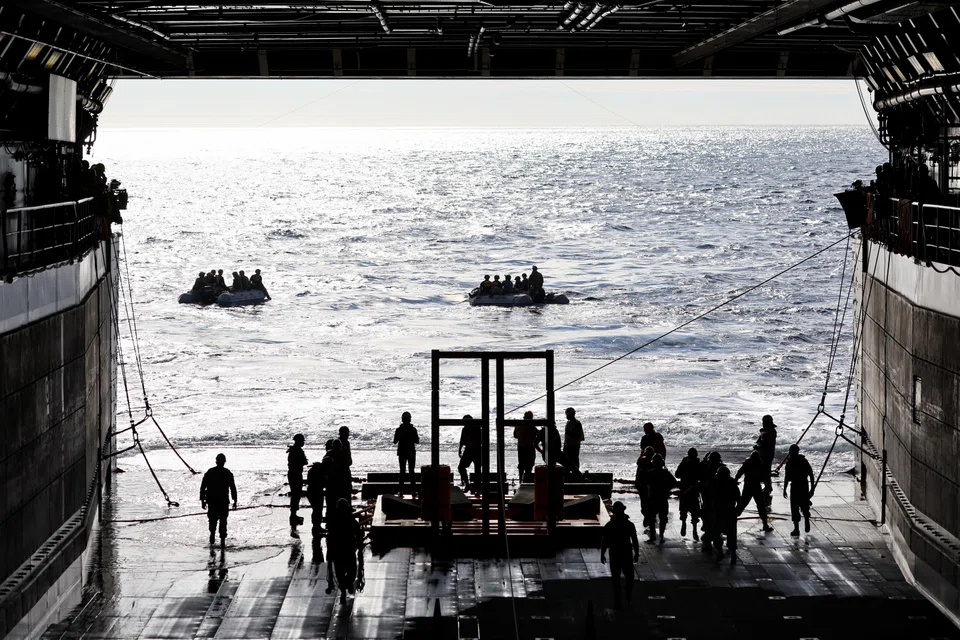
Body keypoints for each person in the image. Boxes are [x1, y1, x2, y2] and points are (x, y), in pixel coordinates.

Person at [600, 501, 640, 610]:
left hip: (615, 553)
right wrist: (636, 553)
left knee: (616, 579)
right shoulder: (629, 524)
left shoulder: (610, 525)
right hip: (626, 553)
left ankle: (618, 600)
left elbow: (604, 541)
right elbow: (634, 540)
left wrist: (602, 554)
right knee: (629, 577)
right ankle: (628, 594)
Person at [325, 498, 364, 605]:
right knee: (351, 570)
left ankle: (343, 590)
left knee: (340, 572)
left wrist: (329, 552)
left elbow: (330, 537)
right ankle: (348, 584)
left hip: (337, 551)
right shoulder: (351, 520)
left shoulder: (334, 521)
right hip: (349, 550)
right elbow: (359, 533)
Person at [200, 453, 237, 547]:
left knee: (213, 520)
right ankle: (222, 541)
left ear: (216, 461)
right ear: (224, 462)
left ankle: (212, 535)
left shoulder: (210, 472)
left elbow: (203, 487)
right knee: (223, 521)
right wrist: (235, 500)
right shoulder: (227, 473)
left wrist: (202, 500)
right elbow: (232, 488)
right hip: (223, 501)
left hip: (212, 500)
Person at [735, 450, 774, 532]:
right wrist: (768, 486)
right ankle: (765, 525)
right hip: (755, 487)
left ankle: (730, 520)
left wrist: (735, 480)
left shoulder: (748, 463)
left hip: (749, 487)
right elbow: (765, 477)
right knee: (760, 506)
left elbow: (739, 473)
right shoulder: (759, 463)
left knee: (742, 505)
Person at [782, 443, 815, 537]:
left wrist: (785, 489)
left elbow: (787, 477)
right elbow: (811, 474)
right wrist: (812, 488)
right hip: (803, 485)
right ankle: (804, 522)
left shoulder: (790, 462)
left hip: (796, 486)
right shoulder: (802, 461)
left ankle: (797, 528)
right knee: (802, 505)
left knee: (795, 507)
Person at [712, 466, 740, 564]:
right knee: (731, 534)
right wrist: (737, 510)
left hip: (720, 511)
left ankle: (721, 551)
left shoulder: (716, 483)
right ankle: (732, 553)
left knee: (717, 532)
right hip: (729, 511)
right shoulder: (732, 483)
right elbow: (738, 498)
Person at [647, 454, 677, 543]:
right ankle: (661, 535)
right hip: (662, 498)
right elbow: (674, 483)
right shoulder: (666, 473)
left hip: (653, 498)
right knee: (663, 518)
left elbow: (642, 482)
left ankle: (653, 535)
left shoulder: (650, 473)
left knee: (651, 518)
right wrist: (667, 489)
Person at [674, 448, 702, 540]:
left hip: (685, 489)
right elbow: (701, 477)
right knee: (694, 511)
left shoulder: (684, 463)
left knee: (683, 509)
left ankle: (684, 524)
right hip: (693, 490)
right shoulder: (698, 464)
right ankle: (694, 531)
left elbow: (677, 474)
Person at [394, 411, 419, 495]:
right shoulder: (413, 429)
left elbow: (395, 441)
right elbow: (417, 441)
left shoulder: (399, 430)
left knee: (402, 471)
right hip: (411, 451)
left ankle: (401, 490)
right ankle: (413, 491)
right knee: (411, 471)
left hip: (402, 451)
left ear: (402, 419)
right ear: (410, 420)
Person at [287, 433, 308, 530]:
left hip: (292, 474)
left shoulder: (293, 450)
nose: (303, 443)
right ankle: (293, 515)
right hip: (296, 474)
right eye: (302, 441)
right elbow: (304, 462)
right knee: (296, 495)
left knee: (295, 495)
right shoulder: (298, 451)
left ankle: (293, 514)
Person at [458, 415, 482, 492]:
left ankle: (475, 486)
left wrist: (460, 449)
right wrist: (459, 449)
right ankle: (469, 485)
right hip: (472, 450)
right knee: (463, 467)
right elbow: (462, 440)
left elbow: (481, 440)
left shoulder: (476, 428)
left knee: (477, 469)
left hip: (474, 450)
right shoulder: (466, 429)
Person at [634, 446, 655, 532]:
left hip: (644, 486)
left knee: (644, 504)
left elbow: (638, 475)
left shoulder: (642, 461)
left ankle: (647, 516)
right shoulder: (653, 462)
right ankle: (648, 517)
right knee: (650, 505)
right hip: (649, 487)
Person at [514, 410, 538, 482]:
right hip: (529, 446)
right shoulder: (531, 425)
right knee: (529, 464)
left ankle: (520, 479)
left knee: (521, 463)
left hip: (520, 446)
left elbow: (515, 435)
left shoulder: (518, 425)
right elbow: (537, 433)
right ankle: (527, 479)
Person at [306, 459, 326, 536]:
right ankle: (316, 526)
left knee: (316, 510)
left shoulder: (311, 472)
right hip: (317, 492)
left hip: (310, 491)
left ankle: (316, 526)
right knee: (318, 510)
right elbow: (323, 483)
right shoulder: (320, 473)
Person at [755, 415, 777, 482]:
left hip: (768, 453)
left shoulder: (772, 432)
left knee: (766, 470)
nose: (763, 424)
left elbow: (767, 444)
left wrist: (759, 446)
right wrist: (757, 445)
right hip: (762, 453)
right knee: (762, 470)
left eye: (765, 422)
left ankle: (768, 485)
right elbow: (758, 441)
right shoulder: (764, 431)